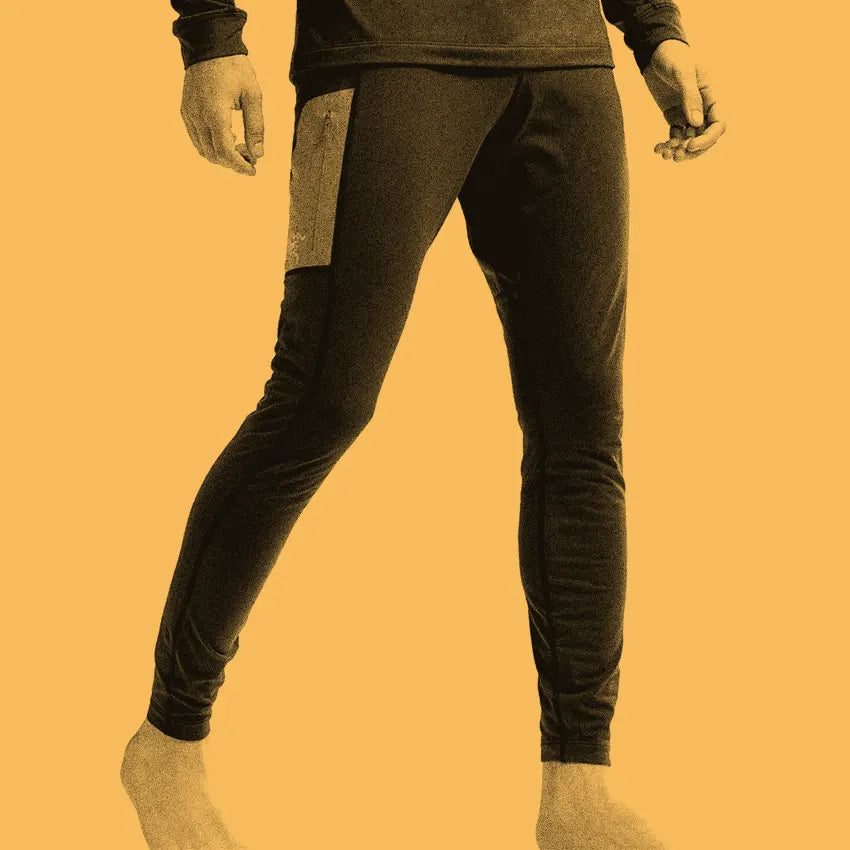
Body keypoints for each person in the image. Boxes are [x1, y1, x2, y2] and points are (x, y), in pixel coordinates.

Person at [120, 2, 726, 848]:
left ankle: (579, 787)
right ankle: (168, 741)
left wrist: (654, 27)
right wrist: (211, 34)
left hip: (565, 63)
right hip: (378, 51)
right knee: (320, 401)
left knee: (583, 429)